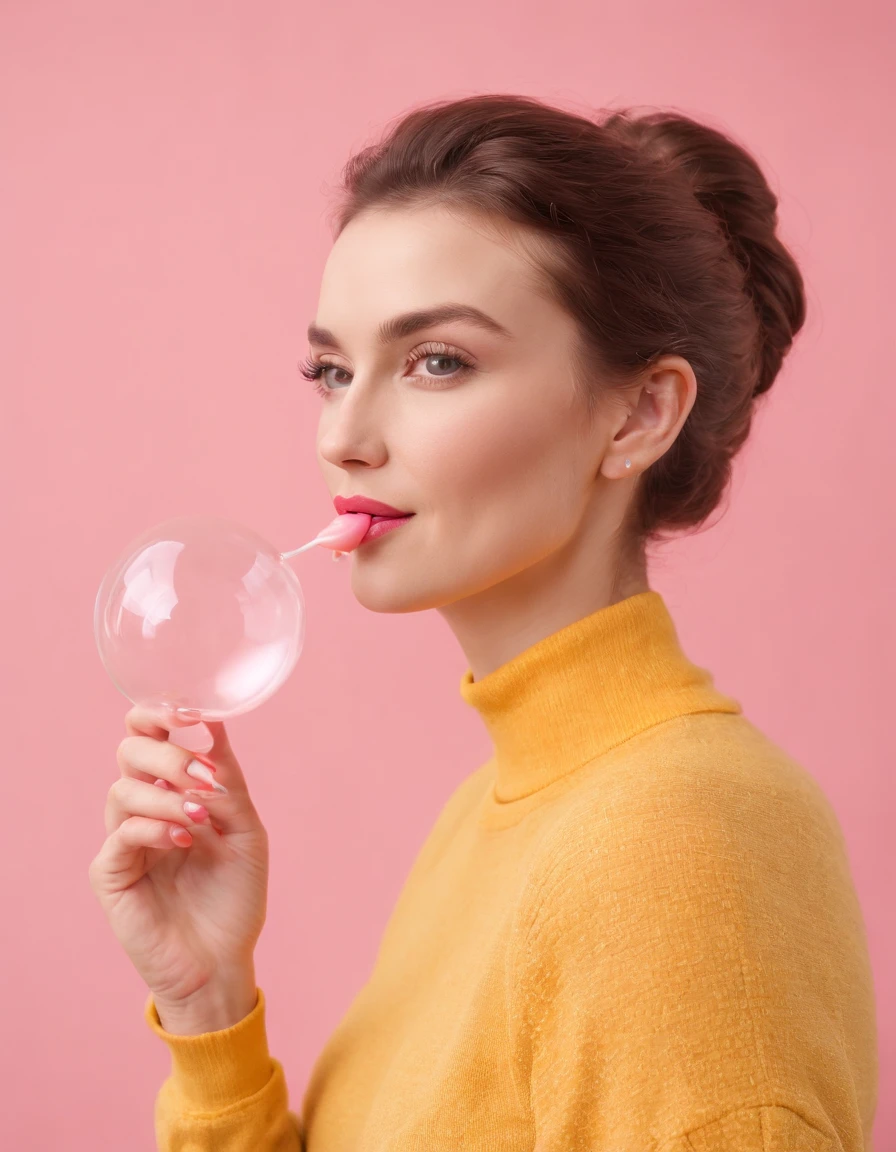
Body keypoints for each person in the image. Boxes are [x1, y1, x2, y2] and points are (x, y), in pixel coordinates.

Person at [89, 93, 879, 1150]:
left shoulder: (676, 846)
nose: (344, 435)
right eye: (331, 370)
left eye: (436, 361)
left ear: (639, 413)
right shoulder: (502, 814)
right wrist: (208, 1007)